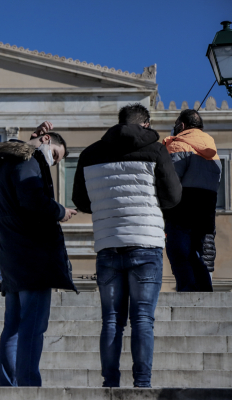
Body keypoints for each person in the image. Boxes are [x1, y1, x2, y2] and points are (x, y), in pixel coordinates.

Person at [72, 103, 182, 388]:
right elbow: (172, 197)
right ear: (145, 124)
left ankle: (110, 382)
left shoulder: (89, 154)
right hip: (146, 244)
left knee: (111, 320)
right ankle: (142, 384)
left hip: (108, 244)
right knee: (143, 319)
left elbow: (81, 201)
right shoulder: (157, 150)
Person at [0, 124, 77, 387]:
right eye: (55, 155)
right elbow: (32, 200)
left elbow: (14, 147)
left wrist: (30, 139)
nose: (53, 162)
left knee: (13, 325)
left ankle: (9, 384)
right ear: (45, 139)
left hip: (11, 252)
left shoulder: (4, 162)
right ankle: (29, 385)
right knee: (32, 326)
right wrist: (59, 211)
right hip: (33, 254)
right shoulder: (28, 161)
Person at [162, 109, 221, 292]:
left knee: (179, 253)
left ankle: (187, 293)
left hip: (182, 211)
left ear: (181, 125)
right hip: (206, 213)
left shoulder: (178, 145)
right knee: (198, 256)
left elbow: (169, 182)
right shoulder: (212, 151)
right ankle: (205, 292)